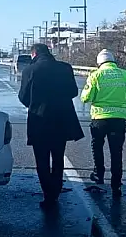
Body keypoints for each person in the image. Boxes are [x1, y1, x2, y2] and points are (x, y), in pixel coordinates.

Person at [18, 43, 84, 209]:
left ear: (34, 54)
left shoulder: (30, 71)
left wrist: (35, 104)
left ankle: (48, 194)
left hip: (39, 120)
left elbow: (23, 97)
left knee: (42, 160)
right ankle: (56, 191)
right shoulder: (65, 68)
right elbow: (73, 92)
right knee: (58, 157)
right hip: (62, 119)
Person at [80, 49, 126, 197]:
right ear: (113, 61)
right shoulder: (125, 75)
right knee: (116, 151)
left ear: (99, 63)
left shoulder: (96, 75)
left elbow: (85, 98)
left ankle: (99, 173)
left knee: (97, 147)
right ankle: (116, 183)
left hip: (100, 118)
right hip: (119, 119)